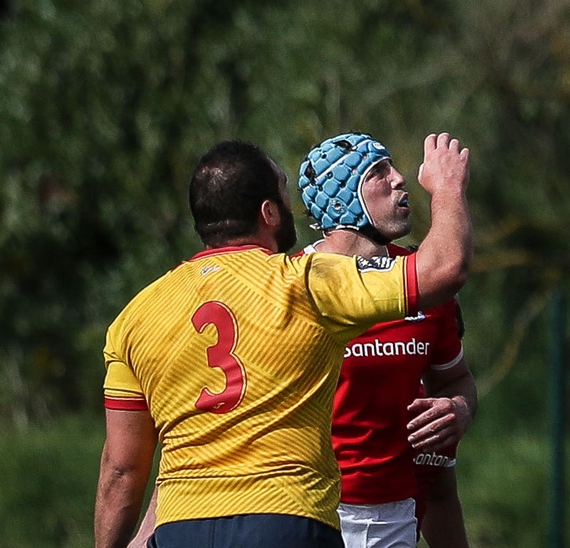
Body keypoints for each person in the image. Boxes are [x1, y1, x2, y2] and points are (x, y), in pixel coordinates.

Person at [94, 135, 472, 548]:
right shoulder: (304, 282)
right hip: (290, 516)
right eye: (284, 192)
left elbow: (125, 467)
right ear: (268, 213)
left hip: (184, 525)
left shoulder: (137, 315)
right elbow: (444, 268)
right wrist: (448, 186)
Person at [300, 134, 478, 548]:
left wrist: (461, 408)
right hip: (307, 506)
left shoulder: (422, 284)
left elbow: (456, 380)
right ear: (341, 198)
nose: (401, 179)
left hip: (393, 515)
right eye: (378, 172)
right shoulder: (290, 282)